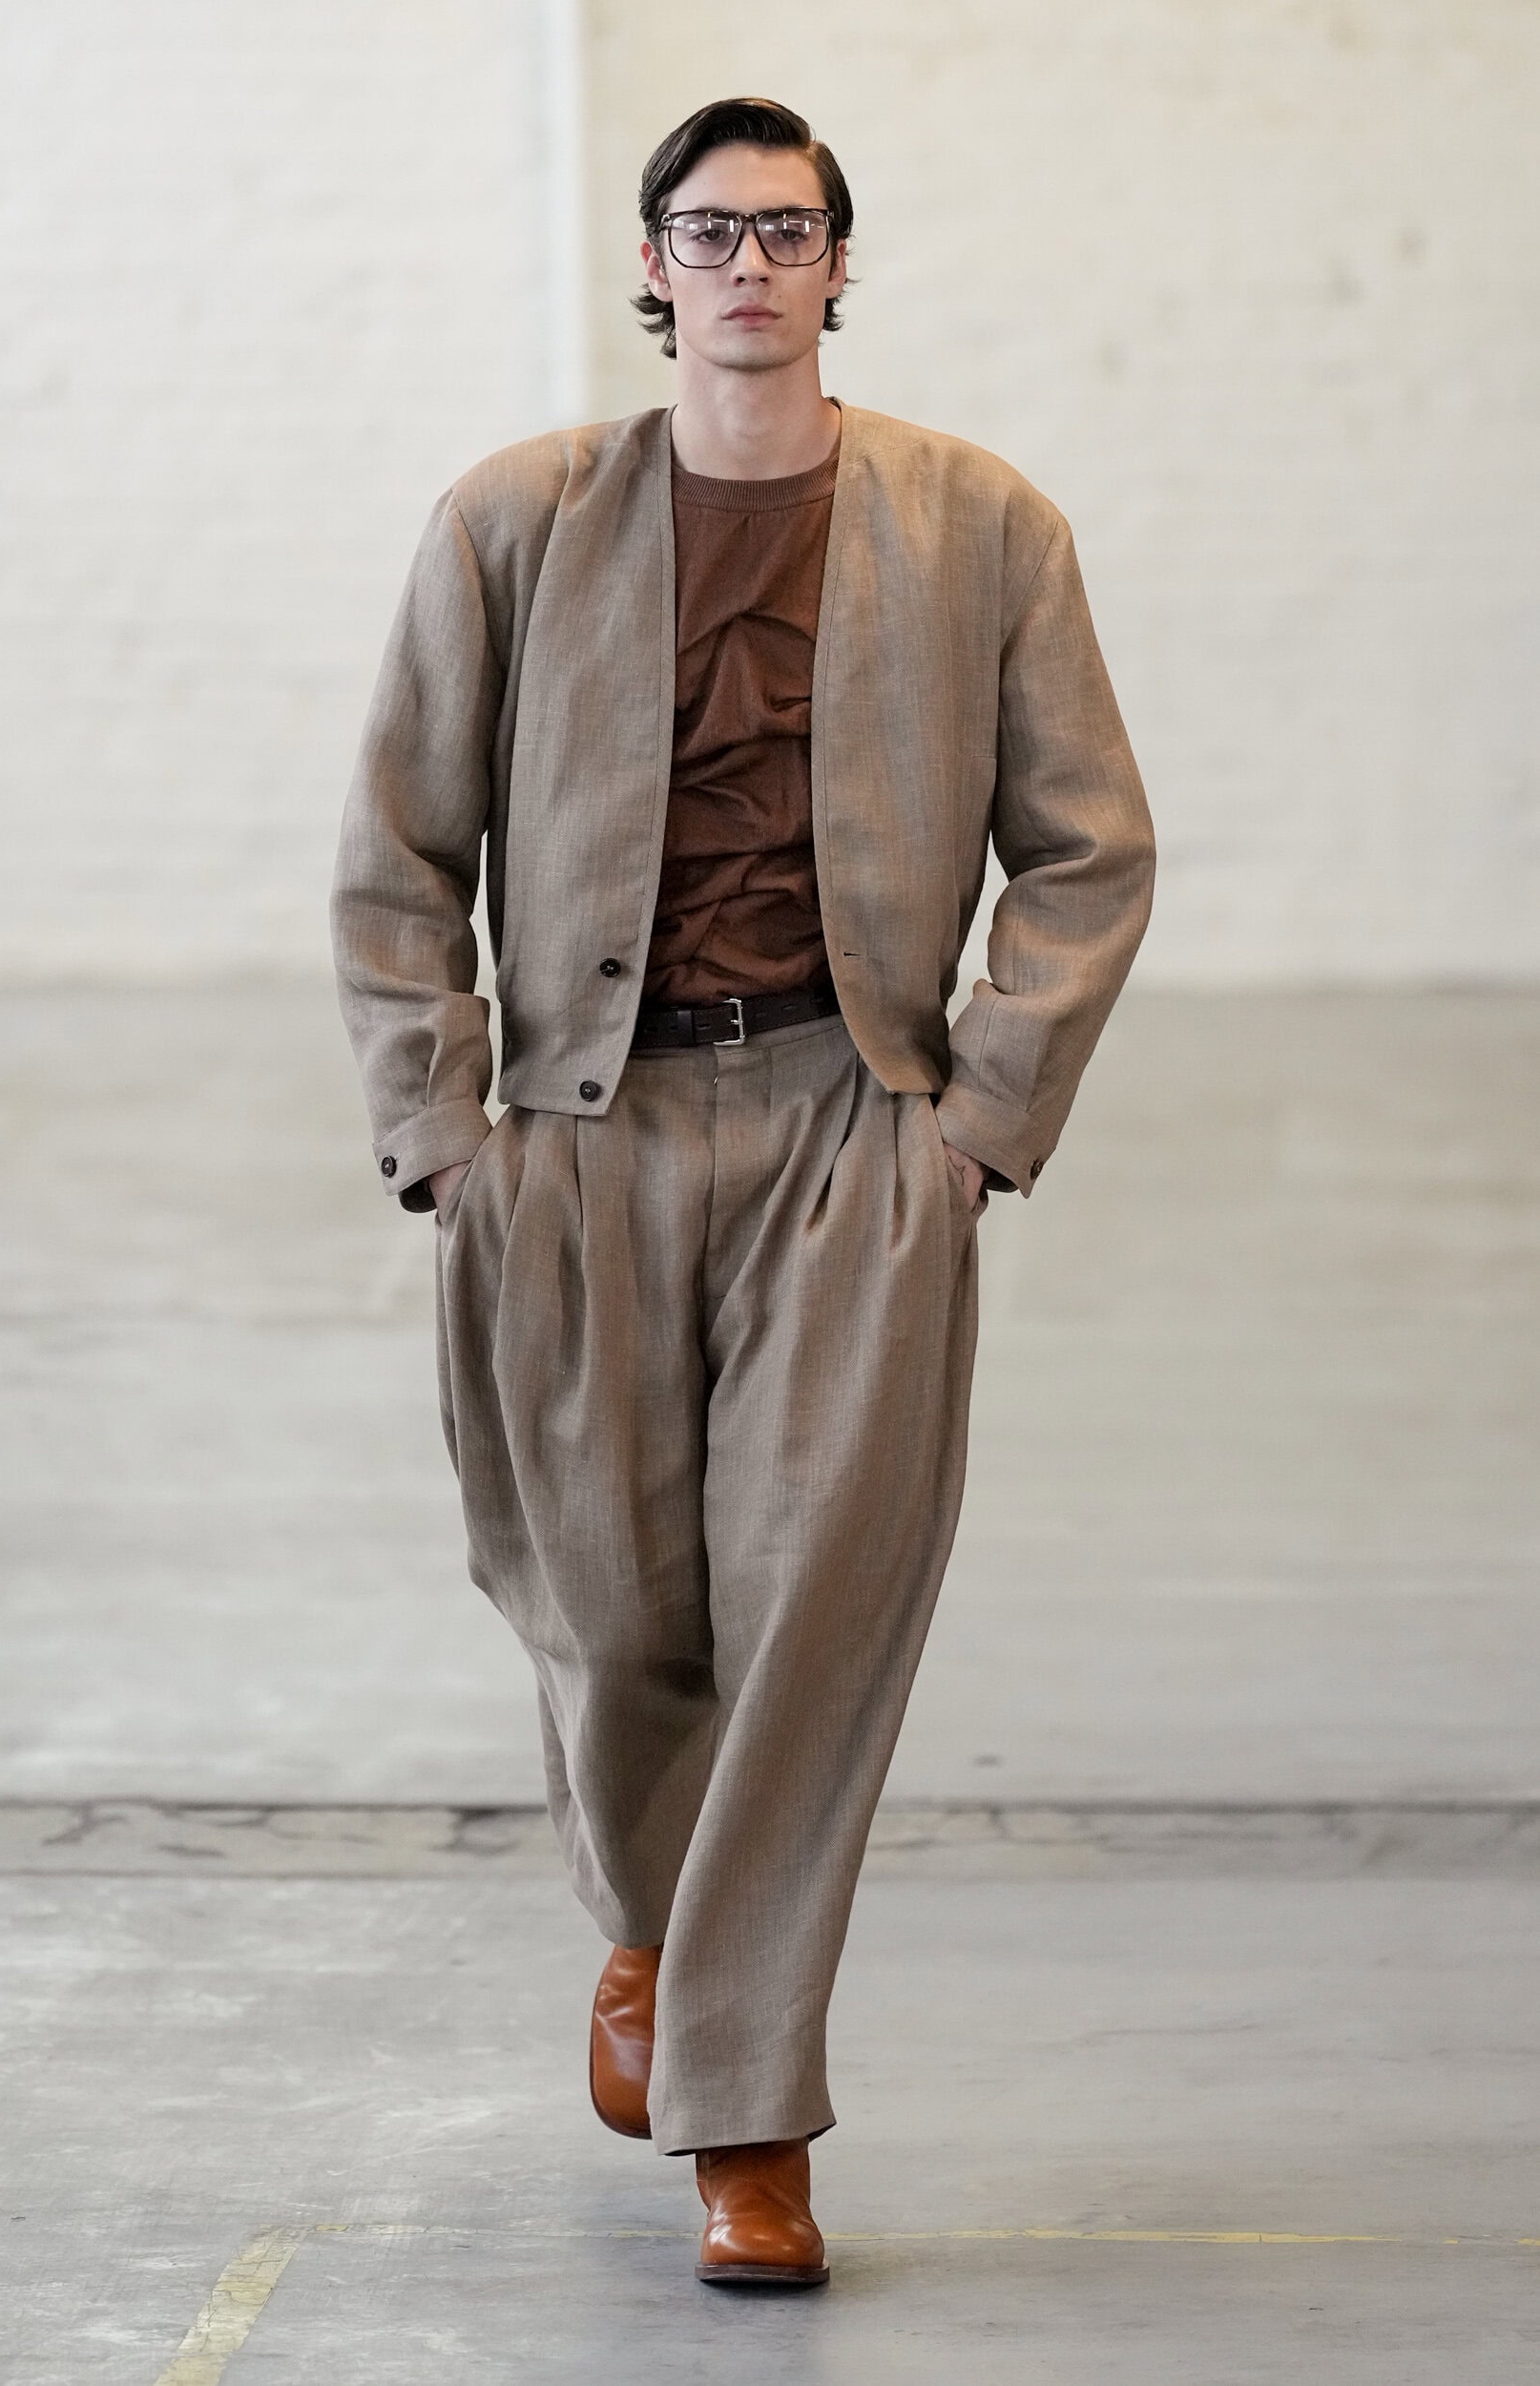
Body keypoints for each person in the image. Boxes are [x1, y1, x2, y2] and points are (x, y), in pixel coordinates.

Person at [330, 94, 1154, 2291]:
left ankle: (747, 2111)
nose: (751, 267)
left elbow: (1090, 844)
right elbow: (398, 851)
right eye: (712, 233)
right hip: (577, 1132)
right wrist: (445, 1131)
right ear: (656, 266)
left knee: (812, 1618)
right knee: (610, 1607)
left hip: (851, 1122)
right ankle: (652, 1922)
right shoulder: (516, 520)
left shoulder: (981, 524)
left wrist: (980, 1113)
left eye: (789, 233)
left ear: (839, 265)